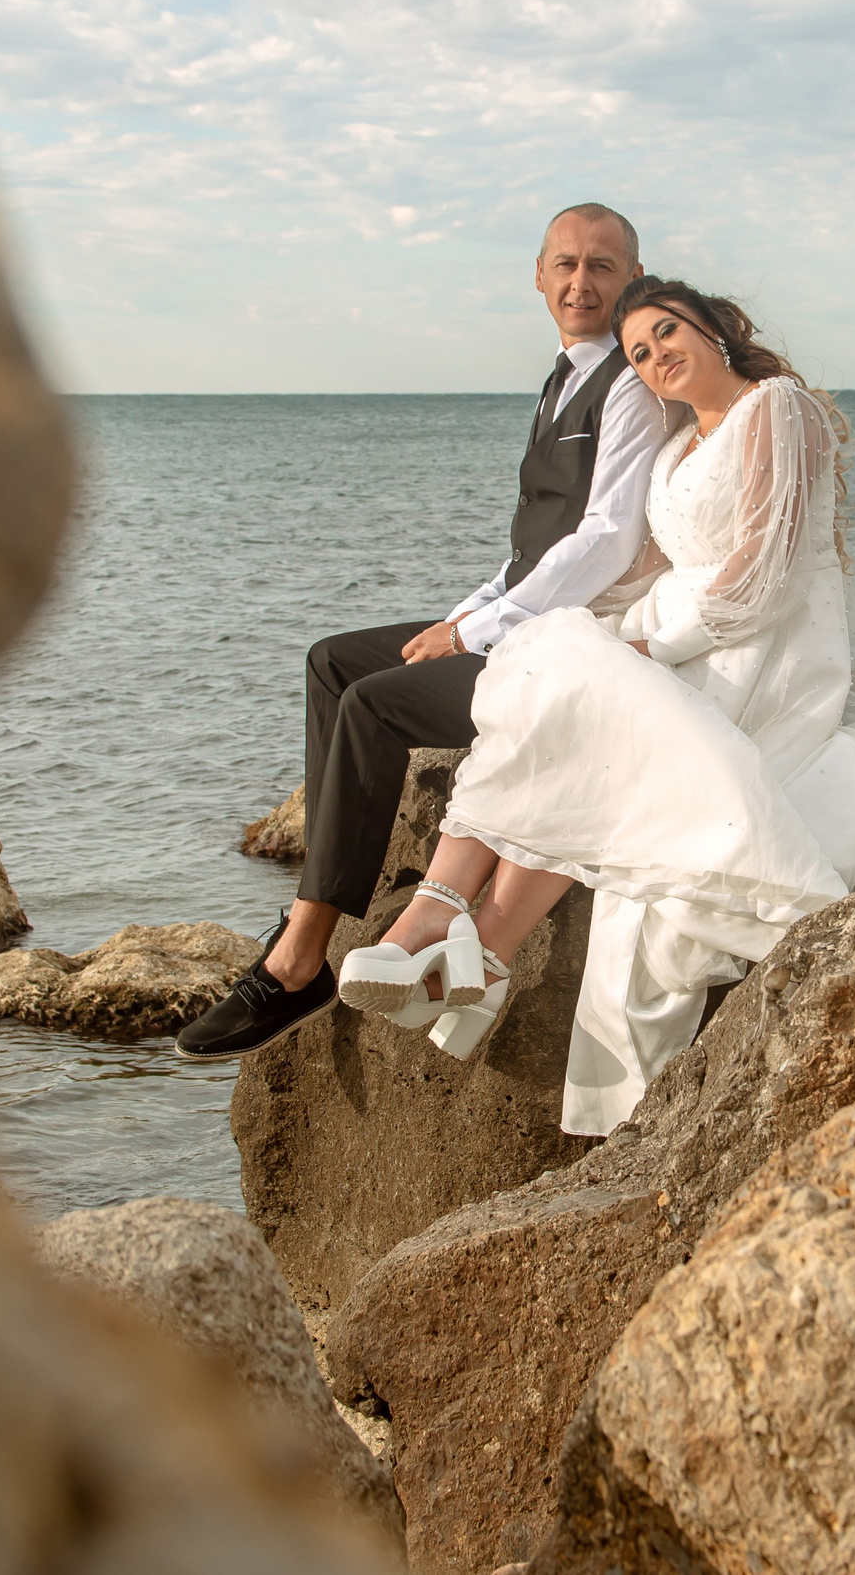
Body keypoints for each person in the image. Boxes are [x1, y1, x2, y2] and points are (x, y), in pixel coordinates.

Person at [331, 277, 855, 1135]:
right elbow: (635, 568)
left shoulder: (779, 408)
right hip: (685, 631)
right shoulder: (672, 450)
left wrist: (643, 647)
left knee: (598, 716)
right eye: (638, 352)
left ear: (714, 328)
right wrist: (542, 627)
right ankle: (471, 940)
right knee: (557, 681)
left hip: (768, 654)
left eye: (668, 331)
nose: (657, 354)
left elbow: (762, 576)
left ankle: (452, 931)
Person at [176, 204, 670, 1060]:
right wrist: (464, 611)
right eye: (565, 264)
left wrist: (482, 629)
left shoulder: (629, 387)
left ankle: (297, 961)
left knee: (374, 707)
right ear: (540, 277)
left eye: (600, 266)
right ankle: (315, 909)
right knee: (333, 663)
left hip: (567, 642)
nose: (580, 282)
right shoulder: (562, 376)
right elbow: (531, 546)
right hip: (523, 614)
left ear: (632, 276)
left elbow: (607, 538)